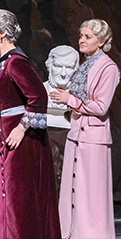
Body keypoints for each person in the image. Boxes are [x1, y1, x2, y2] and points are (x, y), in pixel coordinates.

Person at [0, 9, 63, 239]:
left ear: (2, 33)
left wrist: (22, 127)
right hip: (1, 140)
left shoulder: (16, 63)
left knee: (16, 203)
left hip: (21, 144)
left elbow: (38, 97)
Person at [49, 19, 120, 239]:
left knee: (92, 193)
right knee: (72, 190)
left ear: (101, 41)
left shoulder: (108, 68)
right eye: (81, 35)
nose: (82, 40)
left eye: (88, 36)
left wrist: (70, 100)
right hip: (76, 134)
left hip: (94, 138)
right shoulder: (85, 64)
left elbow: (101, 107)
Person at [43, 45, 78, 193]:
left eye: (69, 68)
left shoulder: (79, 98)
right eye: (58, 66)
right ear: (49, 66)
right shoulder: (40, 92)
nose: (63, 74)